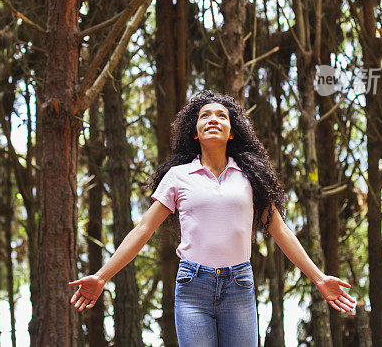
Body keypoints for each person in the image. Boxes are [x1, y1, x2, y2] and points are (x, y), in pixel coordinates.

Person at [69, 90, 355, 346]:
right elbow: (143, 229)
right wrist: (102, 276)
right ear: (194, 132)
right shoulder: (178, 177)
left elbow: (280, 231)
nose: (213, 119)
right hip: (193, 287)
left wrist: (319, 279)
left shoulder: (251, 177)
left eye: (222, 116)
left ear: (232, 132)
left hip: (239, 287)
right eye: (205, 116)